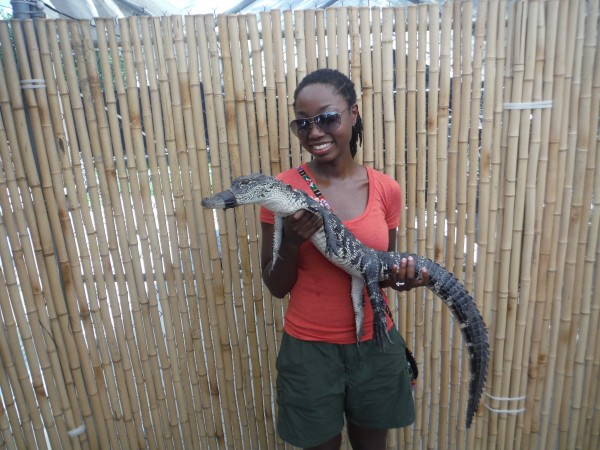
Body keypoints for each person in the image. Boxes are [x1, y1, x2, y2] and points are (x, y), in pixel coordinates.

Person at [259, 68, 430, 450]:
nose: (315, 132)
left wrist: (401, 277)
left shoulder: (386, 189)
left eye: (327, 118)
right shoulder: (281, 189)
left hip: (375, 344)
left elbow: (381, 270)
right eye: (302, 124)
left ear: (353, 114)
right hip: (309, 353)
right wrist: (290, 245)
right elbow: (275, 286)